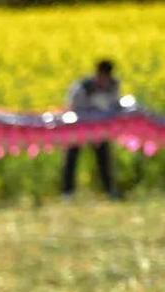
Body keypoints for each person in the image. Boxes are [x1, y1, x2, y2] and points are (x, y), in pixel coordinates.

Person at [63, 59, 121, 198]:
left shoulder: (113, 85)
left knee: (104, 159)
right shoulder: (83, 86)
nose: (104, 80)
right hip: (78, 127)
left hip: (99, 128)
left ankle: (109, 191)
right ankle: (67, 193)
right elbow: (72, 106)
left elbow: (114, 104)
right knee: (72, 158)